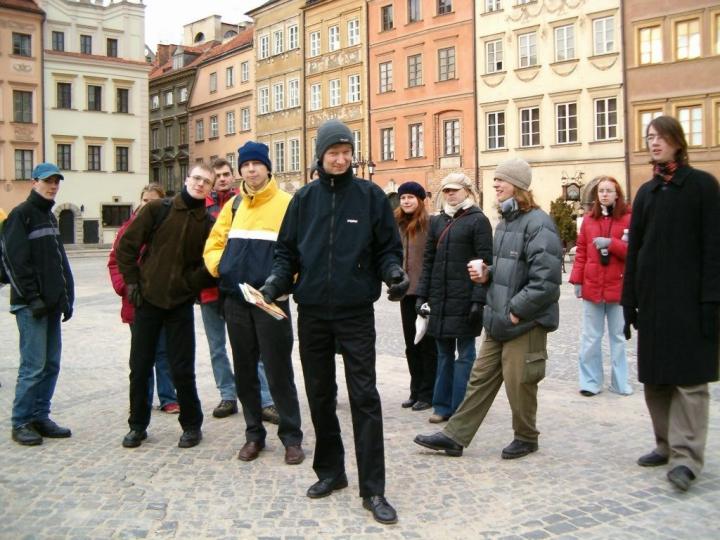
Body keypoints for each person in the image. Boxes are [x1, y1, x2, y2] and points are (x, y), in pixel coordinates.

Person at [260, 119, 408, 525]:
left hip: (355, 311)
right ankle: (330, 471)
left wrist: (394, 273)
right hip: (312, 312)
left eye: (346, 153)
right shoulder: (303, 199)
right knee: (320, 394)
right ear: (320, 156)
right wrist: (275, 283)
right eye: (333, 153)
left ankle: (373, 489)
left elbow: (387, 250)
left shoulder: (370, 197)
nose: (341, 160)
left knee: (364, 397)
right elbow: (286, 252)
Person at [414, 158, 562, 460]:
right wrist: (488, 274)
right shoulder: (505, 223)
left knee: (520, 383)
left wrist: (516, 310)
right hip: (498, 319)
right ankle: (455, 436)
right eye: (495, 179)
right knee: (479, 380)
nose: (495, 184)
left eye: (501, 180)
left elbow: (546, 281)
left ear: (518, 185)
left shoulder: (539, 223)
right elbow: (508, 269)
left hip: (523, 321)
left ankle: (526, 437)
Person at [622, 115, 720, 492]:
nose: (654, 142)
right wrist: (629, 300)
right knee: (656, 379)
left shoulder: (702, 186)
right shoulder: (647, 192)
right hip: (654, 302)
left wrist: (711, 300)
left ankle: (687, 458)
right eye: (649, 137)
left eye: (661, 137)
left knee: (690, 382)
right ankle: (665, 445)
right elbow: (635, 251)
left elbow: (714, 248)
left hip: (690, 302)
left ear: (678, 141)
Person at [204, 142, 304, 465]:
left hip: (271, 302)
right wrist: (223, 268)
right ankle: (253, 434)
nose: (250, 169)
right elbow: (213, 244)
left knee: (278, 371)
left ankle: (291, 437)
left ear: (267, 167)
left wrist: (282, 283)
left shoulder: (287, 204)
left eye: (256, 164)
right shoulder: (234, 206)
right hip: (237, 301)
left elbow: (299, 252)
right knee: (245, 372)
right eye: (245, 165)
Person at [116, 164, 216, 449]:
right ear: (187, 179)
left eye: (206, 182)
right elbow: (126, 247)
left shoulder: (207, 223)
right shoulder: (157, 209)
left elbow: (211, 264)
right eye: (197, 178)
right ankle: (137, 426)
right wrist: (133, 282)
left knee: (182, 368)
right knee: (140, 366)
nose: (200, 184)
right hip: (148, 300)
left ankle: (192, 425)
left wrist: (190, 284)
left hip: (179, 304)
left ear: (210, 189)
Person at [200, 158, 279, 425]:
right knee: (217, 347)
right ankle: (228, 395)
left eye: (226, 174)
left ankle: (265, 400)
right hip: (210, 288)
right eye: (218, 175)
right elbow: (204, 246)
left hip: (241, 290)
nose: (222, 179)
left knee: (252, 349)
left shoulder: (243, 202)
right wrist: (219, 268)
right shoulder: (202, 207)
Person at [3, 163, 74, 446]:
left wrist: (67, 297)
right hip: (31, 306)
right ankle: (21, 421)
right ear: (34, 182)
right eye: (47, 181)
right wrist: (32, 297)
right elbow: (14, 262)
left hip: (52, 305)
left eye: (56, 181)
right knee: (33, 367)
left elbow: (58, 261)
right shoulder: (21, 215)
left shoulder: (49, 216)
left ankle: (40, 416)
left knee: (51, 365)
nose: (53, 186)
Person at [414, 173, 493, 423]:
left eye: (455, 190)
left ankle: (460, 407)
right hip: (441, 297)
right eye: (447, 190)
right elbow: (428, 261)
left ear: (467, 191)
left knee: (465, 354)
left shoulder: (478, 220)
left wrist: (478, 300)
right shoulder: (437, 221)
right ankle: (441, 405)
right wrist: (422, 295)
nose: (450, 194)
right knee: (444, 354)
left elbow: (485, 263)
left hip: (465, 298)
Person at [108, 184, 179, 414]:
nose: (148, 204)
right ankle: (142, 402)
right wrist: (125, 286)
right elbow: (115, 262)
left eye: (153, 201)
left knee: (164, 352)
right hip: (136, 301)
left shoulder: (169, 228)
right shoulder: (128, 228)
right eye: (145, 200)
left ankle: (168, 398)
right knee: (142, 356)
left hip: (162, 300)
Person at [569, 176, 633, 397]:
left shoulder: (628, 219)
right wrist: (577, 280)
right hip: (593, 286)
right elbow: (581, 252)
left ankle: (620, 382)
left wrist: (612, 244)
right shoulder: (589, 220)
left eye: (609, 191)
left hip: (618, 287)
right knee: (590, 337)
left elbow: (633, 250)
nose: (604, 194)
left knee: (618, 338)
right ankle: (590, 382)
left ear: (617, 194)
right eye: (601, 191)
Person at [395, 181, 437, 412]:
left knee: (426, 345)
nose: (406, 201)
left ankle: (428, 393)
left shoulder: (430, 224)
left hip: (425, 292)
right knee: (411, 344)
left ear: (420, 200)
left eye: (411, 197)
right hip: (406, 293)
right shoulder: (398, 224)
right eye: (403, 197)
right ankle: (415, 389)